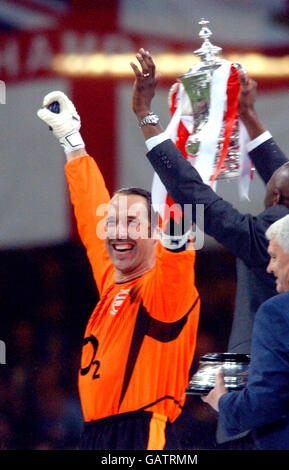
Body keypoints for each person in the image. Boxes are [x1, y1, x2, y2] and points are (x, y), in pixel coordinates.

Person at [36, 90, 200, 450]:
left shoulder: (165, 291)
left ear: (157, 232)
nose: (118, 231)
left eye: (130, 221)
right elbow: (89, 208)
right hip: (94, 433)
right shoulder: (114, 278)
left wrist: (180, 134)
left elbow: (178, 223)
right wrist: (72, 141)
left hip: (141, 436)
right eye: (112, 222)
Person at [130, 48, 289, 356]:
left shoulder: (270, 237)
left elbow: (196, 195)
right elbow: (287, 180)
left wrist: (145, 115)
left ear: (275, 198)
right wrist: (247, 115)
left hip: (268, 364)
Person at [202, 211, 289, 450]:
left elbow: (265, 402)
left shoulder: (279, 311)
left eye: (275, 257)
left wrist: (222, 401)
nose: (269, 267)